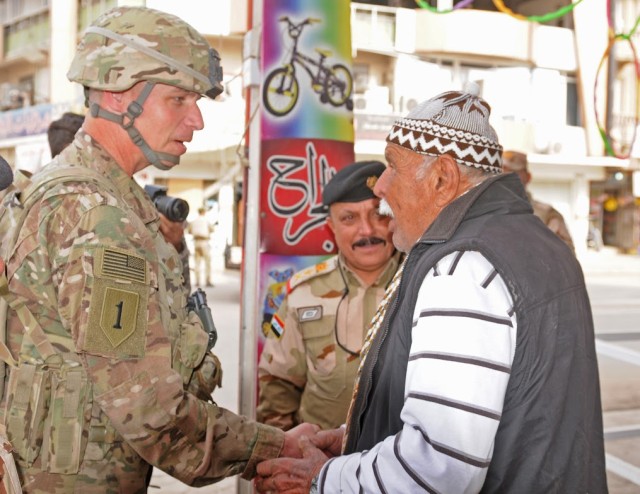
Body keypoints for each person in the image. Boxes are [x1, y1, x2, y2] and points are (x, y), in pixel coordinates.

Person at [0, 6, 316, 492]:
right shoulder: (96, 217)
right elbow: (150, 412)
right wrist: (278, 449)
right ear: (117, 93)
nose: (196, 121)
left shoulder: (89, 195)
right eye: (178, 100)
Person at [255, 85, 607, 493]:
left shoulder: (464, 268)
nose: (381, 186)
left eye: (392, 167)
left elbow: (438, 470)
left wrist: (321, 477)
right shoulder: (535, 241)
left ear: (442, 178)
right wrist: (358, 438)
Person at [257, 161, 401, 431]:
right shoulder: (303, 294)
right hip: (320, 461)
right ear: (330, 226)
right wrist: (286, 454)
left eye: (378, 214)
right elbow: (278, 385)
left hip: (401, 462)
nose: (367, 231)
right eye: (349, 218)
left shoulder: (426, 283)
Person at [502, 150, 575, 253]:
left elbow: (566, 258)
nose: (507, 179)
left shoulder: (548, 215)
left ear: (528, 177)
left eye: (514, 174)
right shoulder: (484, 210)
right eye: (503, 174)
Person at [188, 207, 216, 287]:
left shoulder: (194, 221)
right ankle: (208, 281)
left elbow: (189, 231)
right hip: (204, 242)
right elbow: (212, 229)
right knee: (207, 262)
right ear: (204, 212)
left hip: (196, 242)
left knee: (197, 262)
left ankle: (197, 281)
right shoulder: (206, 221)